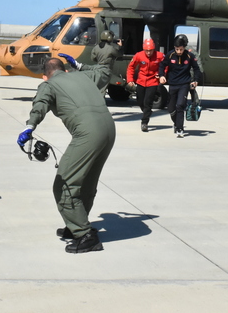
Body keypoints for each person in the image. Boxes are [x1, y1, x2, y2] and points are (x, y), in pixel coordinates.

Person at [17, 58, 116, 254]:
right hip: (109, 129)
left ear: (45, 75)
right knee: (87, 181)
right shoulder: (83, 75)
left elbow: (40, 103)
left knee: (64, 186)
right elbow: (104, 71)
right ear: (65, 70)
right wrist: (81, 65)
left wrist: (30, 126)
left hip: (88, 133)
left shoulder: (48, 84)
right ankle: (76, 224)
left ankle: (85, 235)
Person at [158, 34, 202, 138]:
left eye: (181, 49)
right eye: (177, 49)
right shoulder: (170, 55)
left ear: (184, 48)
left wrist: (195, 80)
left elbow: (196, 69)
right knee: (171, 108)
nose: (179, 52)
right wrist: (161, 76)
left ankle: (180, 128)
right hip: (173, 84)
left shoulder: (189, 56)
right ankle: (176, 123)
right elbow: (162, 65)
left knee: (180, 106)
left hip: (184, 84)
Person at [125, 38, 165, 132]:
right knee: (140, 101)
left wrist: (162, 75)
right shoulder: (138, 55)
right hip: (141, 81)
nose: (148, 53)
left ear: (153, 49)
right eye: (146, 51)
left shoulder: (159, 56)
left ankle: (144, 122)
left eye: (150, 51)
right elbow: (131, 67)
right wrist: (130, 79)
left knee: (148, 102)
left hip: (153, 81)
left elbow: (165, 65)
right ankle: (147, 111)